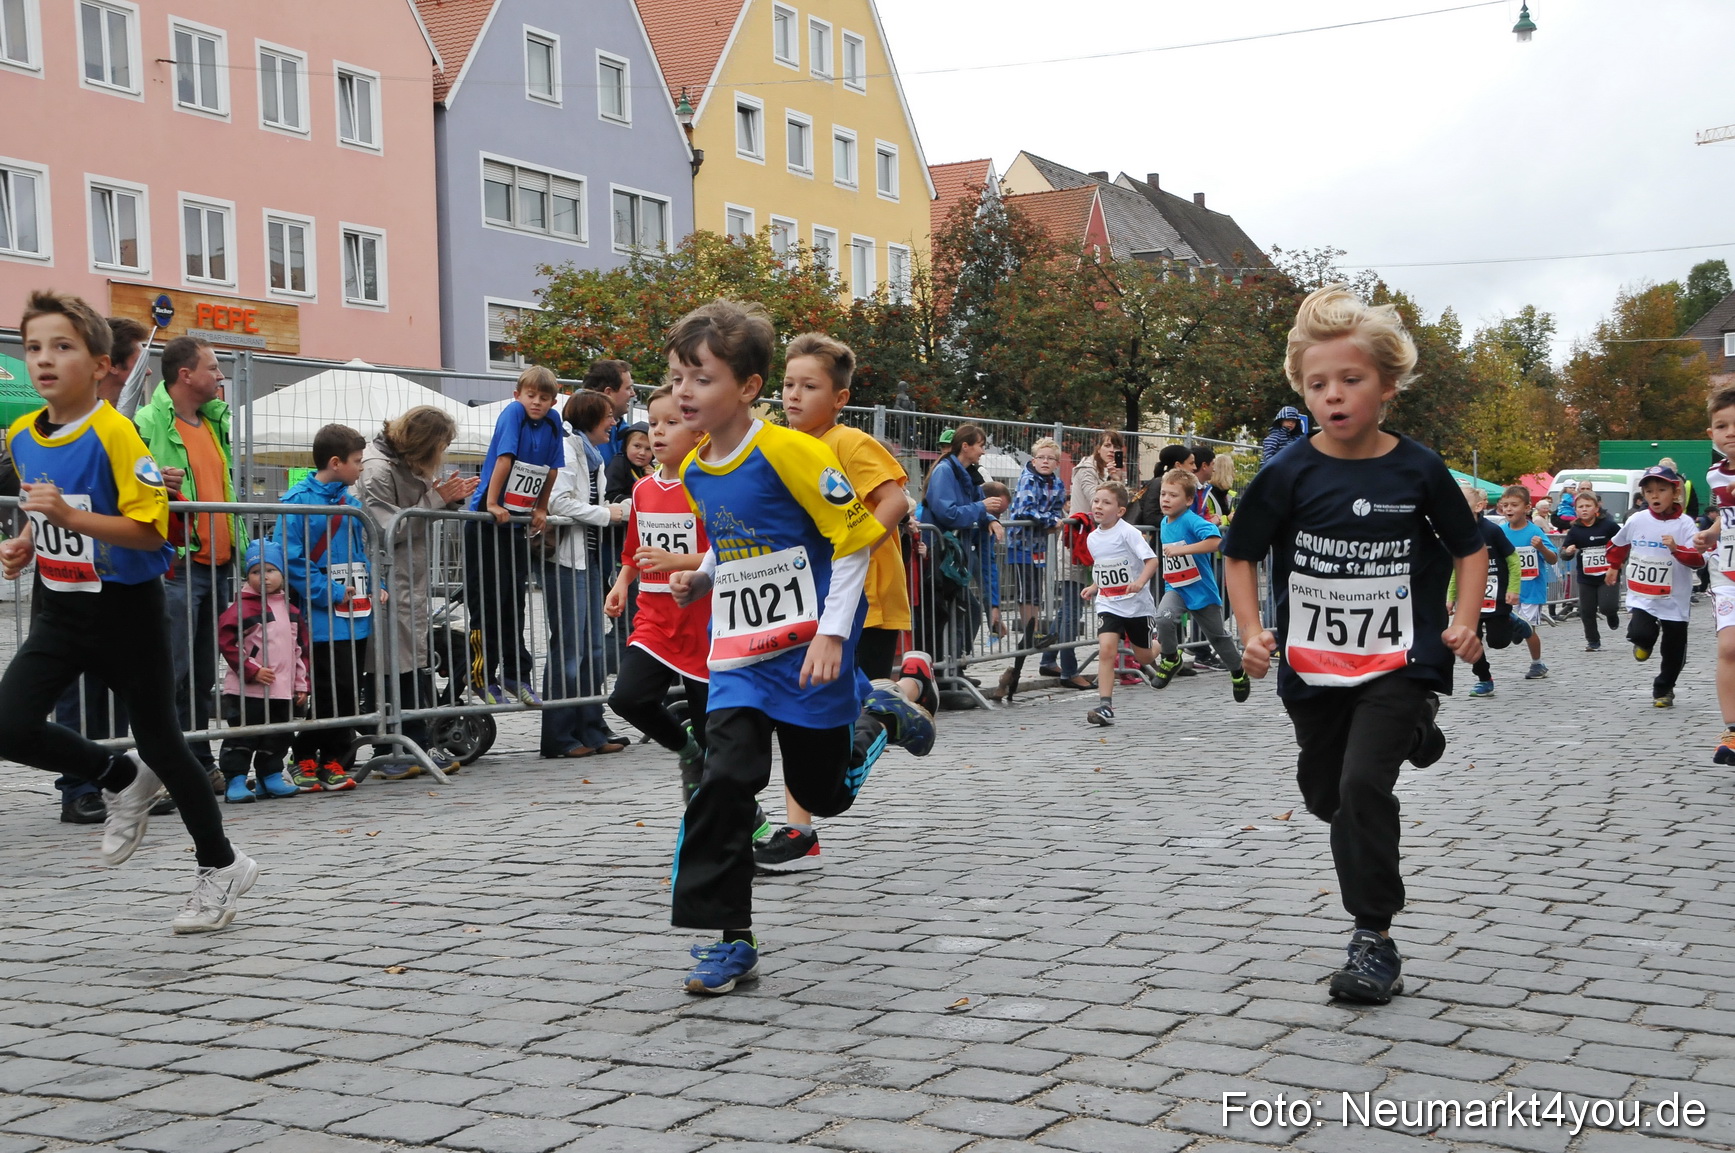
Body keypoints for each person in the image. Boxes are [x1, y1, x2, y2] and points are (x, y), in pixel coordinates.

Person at [1224, 285, 1487, 1005]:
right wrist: (1251, 632)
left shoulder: (1417, 468)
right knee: (1324, 794)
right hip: (1314, 664)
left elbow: (1470, 550)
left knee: (1360, 786)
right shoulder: (1286, 471)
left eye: (1350, 380)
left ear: (1386, 386)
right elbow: (1238, 553)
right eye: (1317, 385)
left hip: (1401, 658)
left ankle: (1373, 938)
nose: (1332, 396)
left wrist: (1463, 621)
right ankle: (1415, 734)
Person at [663, 300, 933, 995]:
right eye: (676, 377)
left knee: (823, 794)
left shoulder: (793, 452)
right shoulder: (695, 467)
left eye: (700, 378)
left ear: (747, 388)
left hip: (812, 650)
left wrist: (833, 632)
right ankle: (732, 939)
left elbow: (850, 542)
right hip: (741, 659)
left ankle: (880, 718)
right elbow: (741, 549)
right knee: (724, 781)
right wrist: (704, 574)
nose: (683, 392)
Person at [0, 290, 258, 932]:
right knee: (7, 724)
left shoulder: (119, 432)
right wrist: (29, 541)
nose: (44, 361)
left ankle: (222, 867)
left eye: (62, 347)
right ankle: (118, 775)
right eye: (33, 347)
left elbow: (151, 531)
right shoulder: (20, 435)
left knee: (166, 745)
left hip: (127, 612)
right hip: (59, 609)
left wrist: (65, 516)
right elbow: (49, 504)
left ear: (98, 361)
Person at [758, 333, 939, 872]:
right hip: (804, 602)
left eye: (809, 386)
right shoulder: (777, 444)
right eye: (788, 384)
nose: (793, 396)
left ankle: (897, 701)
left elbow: (895, 500)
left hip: (864, 598)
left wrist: (849, 544)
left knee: (829, 712)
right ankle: (801, 827)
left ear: (838, 397)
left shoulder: (848, 442)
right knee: (804, 709)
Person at [134, 335, 243, 788]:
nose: (220, 376)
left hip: (217, 564)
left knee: (200, 674)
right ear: (185, 375)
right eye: (213, 367)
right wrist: (156, 481)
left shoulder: (212, 421)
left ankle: (197, 761)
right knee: (172, 672)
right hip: (175, 565)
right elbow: (125, 486)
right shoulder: (145, 422)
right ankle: (163, 768)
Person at [357, 407, 477, 776]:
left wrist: (448, 497)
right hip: (388, 580)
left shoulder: (403, 462)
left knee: (411, 663)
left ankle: (416, 742)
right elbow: (387, 529)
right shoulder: (377, 468)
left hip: (409, 579)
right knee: (394, 664)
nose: (442, 454)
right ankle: (396, 747)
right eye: (441, 446)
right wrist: (438, 499)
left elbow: (415, 509)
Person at [605, 386, 711, 798]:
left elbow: (725, 553)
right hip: (654, 618)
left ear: (698, 432)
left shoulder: (708, 485)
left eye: (672, 423)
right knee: (627, 698)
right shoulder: (643, 489)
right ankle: (686, 749)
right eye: (653, 424)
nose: (659, 433)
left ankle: (738, 821)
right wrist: (621, 582)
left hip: (703, 622)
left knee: (715, 733)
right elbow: (634, 549)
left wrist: (677, 562)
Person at [277, 423, 371, 792]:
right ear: (336, 462)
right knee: (326, 690)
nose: (361, 468)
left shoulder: (352, 503)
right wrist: (329, 592)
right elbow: (292, 558)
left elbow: (363, 553)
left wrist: (375, 586)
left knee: (348, 690)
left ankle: (335, 758)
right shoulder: (298, 501)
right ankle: (302, 755)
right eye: (357, 462)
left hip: (355, 614)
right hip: (319, 617)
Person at [466, 365, 564, 706]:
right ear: (517, 395)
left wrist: (541, 507)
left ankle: (516, 674)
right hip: (486, 520)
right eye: (530, 395)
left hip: (518, 520)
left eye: (544, 397)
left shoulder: (553, 422)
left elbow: (551, 469)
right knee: (486, 603)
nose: (536, 403)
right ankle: (479, 675)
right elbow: (504, 459)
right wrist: (491, 502)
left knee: (513, 603)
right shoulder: (513, 414)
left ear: (554, 400)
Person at [543, 389, 627, 757]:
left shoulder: (591, 456)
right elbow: (559, 502)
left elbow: (587, 503)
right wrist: (608, 514)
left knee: (593, 646)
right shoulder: (566, 450)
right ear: (591, 418)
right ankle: (560, 736)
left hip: (589, 559)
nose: (613, 422)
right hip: (566, 559)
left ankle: (591, 728)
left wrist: (612, 508)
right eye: (608, 416)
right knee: (570, 650)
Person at [215, 541, 308, 803]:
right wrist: (251, 670)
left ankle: (270, 777)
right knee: (243, 736)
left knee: (278, 735)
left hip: (281, 690)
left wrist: (300, 685)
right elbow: (227, 643)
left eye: (270, 570)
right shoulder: (240, 609)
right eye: (255, 571)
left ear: (282, 575)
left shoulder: (291, 611)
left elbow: (300, 651)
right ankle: (235, 779)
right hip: (248, 690)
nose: (263, 576)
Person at [1147, 468, 1249, 700]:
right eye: (1163, 494)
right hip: (1176, 588)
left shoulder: (1192, 520)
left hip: (1200, 589)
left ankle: (1238, 672)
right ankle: (1172, 658)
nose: (1166, 499)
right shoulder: (1164, 522)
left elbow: (1216, 542)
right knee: (1163, 617)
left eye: (1173, 495)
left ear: (1189, 500)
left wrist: (1182, 549)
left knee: (1218, 638)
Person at [1610, 465, 1703, 708]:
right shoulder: (1637, 519)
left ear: (1675, 493)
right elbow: (1618, 544)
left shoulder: (1685, 524)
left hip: (1675, 598)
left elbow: (1698, 559)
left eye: (1661, 490)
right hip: (1643, 595)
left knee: (1673, 650)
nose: (1655, 495)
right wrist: (1612, 566)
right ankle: (1643, 642)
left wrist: (1676, 549)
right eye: (1649, 491)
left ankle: (1664, 689)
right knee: (1640, 632)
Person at [1079, 481, 1160, 725]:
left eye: (1106, 503)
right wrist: (1094, 586)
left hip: (1136, 605)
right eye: (1096, 501)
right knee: (1106, 650)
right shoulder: (1093, 538)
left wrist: (1139, 582)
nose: (1098, 506)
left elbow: (1152, 561)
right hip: (1109, 603)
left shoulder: (1129, 533)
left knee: (1144, 657)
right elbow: (1103, 566)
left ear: (1120, 510)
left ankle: (1165, 645)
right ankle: (1105, 705)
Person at [923, 423, 1006, 659]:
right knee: (953, 611)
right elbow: (947, 512)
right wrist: (982, 508)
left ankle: (956, 664)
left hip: (954, 555)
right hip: (940, 554)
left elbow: (977, 505)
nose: (983, 451)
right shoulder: (945, 471)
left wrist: (990, 518)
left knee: (966, 609)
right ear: (966, 446)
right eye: (980, 445)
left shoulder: (968, 473)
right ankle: (943, 668)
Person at [1000, 437, 1068, 698]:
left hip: (1039, 544)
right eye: (1042, 457)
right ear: (1034, 459)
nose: (1046, 462)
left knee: (1036, 590)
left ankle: (1033, 631)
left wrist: (1054, 519)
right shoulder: (1028, 479)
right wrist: (1050, 520)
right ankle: (1030, 631)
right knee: (1025, 589)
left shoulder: (1056, 482)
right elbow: (1026, 512)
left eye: (1051, 458)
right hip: (1021, 542)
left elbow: (1058, 505)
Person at [1453, 484, 1522, 699]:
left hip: (1497, 595)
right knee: (1470, 640)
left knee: (1498, 642)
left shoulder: (1492, 531)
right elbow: (1455, 568)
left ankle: (1514, 622)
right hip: (1470, 597)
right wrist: (1450, 597)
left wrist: (1513, 589)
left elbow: (1513, 560)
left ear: (1479, 506)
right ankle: (1484, 678)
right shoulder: (1456, 532)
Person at [1699, 389, 1735, 762]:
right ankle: (1733, 731)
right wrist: (1709, 534)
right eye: (1722, 426)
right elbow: (1727, 518)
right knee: (1728, 647)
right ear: (1711, 433)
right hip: (1727, 573)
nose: (1731, 433)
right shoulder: (1713, 475)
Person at [1497, 485, 1557, 681]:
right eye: (1505, 505)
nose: (1509, 509)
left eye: (1514, 505)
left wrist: (1540, 547)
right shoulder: (1499, 531)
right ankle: (1516, 630)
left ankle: (1537, 663)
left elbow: (1553, 558)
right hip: (1509, 590)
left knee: (1528, 628)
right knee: (1513, 627)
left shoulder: (1535, 531)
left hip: (1531, 589)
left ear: (1527, 508)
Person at [1558, 489, 1620, 652]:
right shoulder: (1575, 530)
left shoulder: (1609, 525)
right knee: (1586, 610)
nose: (1584, 509)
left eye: (1587, 506)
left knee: (1607, 606)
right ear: (1576, 510)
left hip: (1607, 574)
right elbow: (1564, 553)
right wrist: (1568, 552)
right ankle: (1593, 641)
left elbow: (1622, 544)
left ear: (1596, 508)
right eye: (1580, 507)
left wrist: (1617, 563)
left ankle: (1612, 614)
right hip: (1586, 577)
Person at [583, 358, 637, 465]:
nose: (633, 394)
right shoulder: (580, 432)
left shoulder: (623, 430)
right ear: (608, 392)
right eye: (628, 388)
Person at [604, 422, 653, 502]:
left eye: (648, 449)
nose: (642, 453)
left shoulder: (650, 469)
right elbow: (610, 496)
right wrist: (639, 501)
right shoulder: (619, 463)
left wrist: (652, 480)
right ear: (626, 447)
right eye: (637, 446)